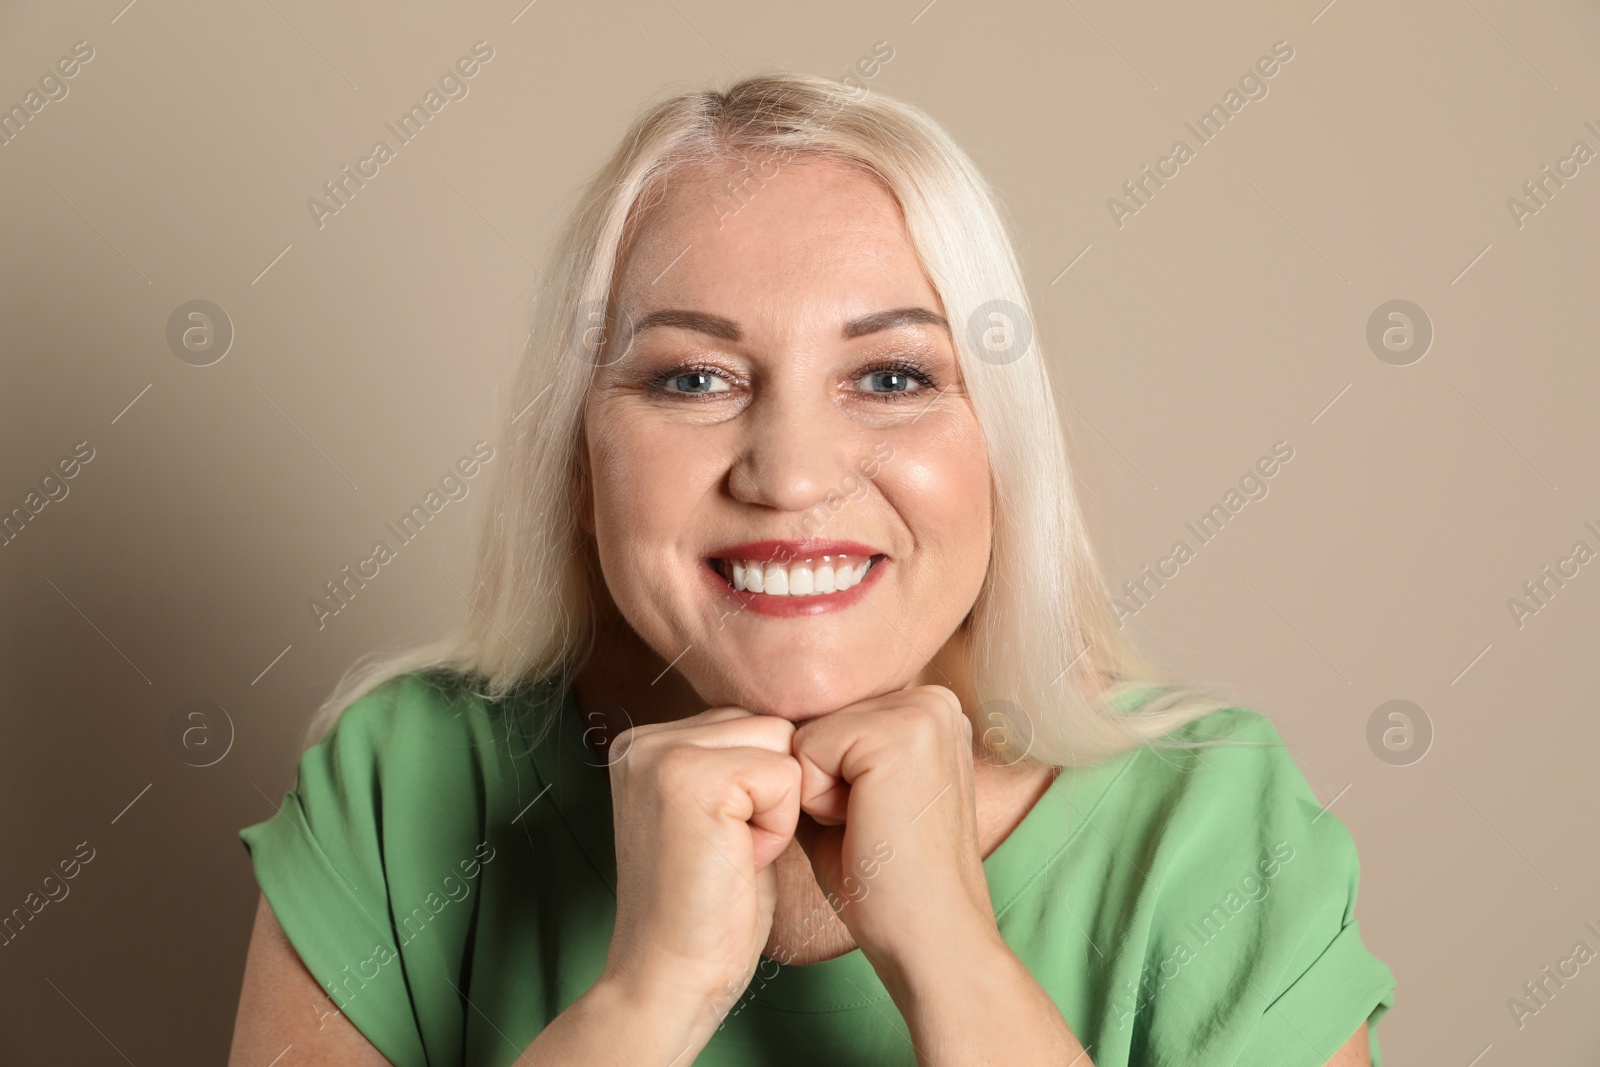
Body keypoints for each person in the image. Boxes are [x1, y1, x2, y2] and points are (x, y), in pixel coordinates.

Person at [229, 71, 1395, 1066]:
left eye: (890, 377)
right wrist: (649, 997)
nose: (789, 474)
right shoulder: (404, 782)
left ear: (999, 448)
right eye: (692, 377)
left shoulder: (1214, 820)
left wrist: (951, 952)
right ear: (581, 463)